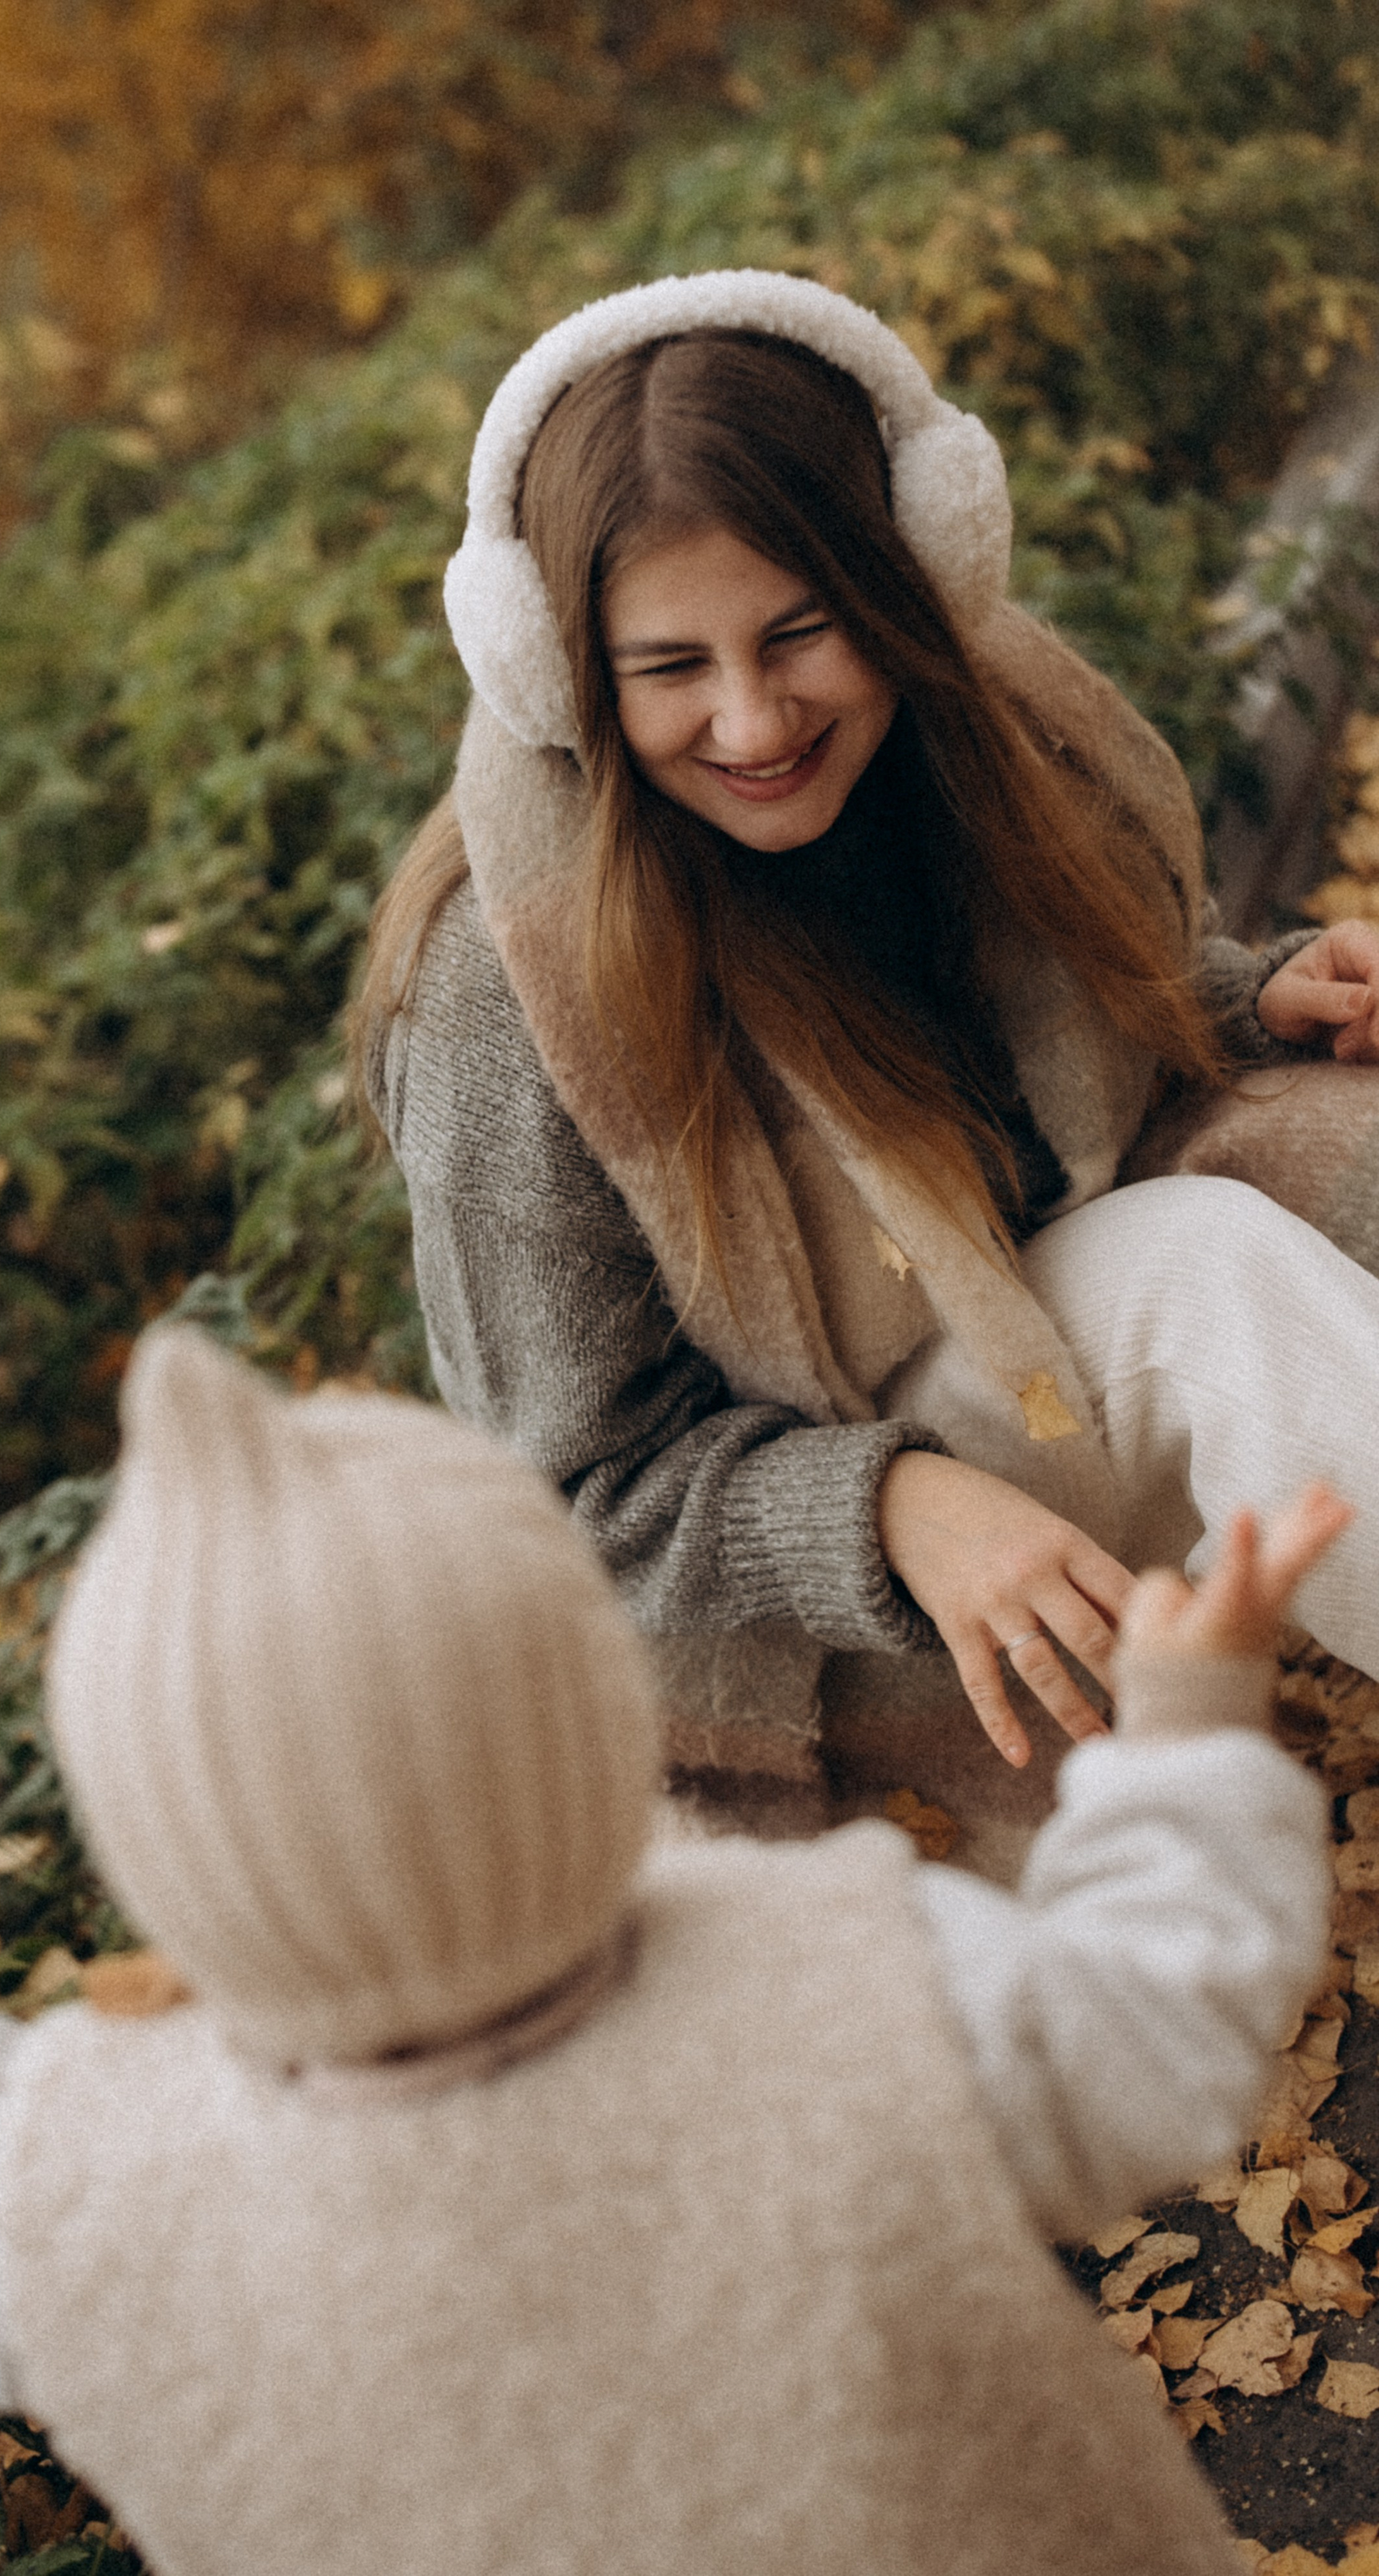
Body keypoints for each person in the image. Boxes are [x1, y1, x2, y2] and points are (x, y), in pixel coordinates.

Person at [0, 1323, 1336, 2576]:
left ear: (183, 1866)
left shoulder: (96, 2208)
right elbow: (1156, 2017)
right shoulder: (852, 1985)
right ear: (595, 1725)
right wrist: (1183, 1728)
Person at [355, 268, 1379, 1803]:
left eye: (799, 633)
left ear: (912, 567)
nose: (753, 723)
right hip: (802, 1604)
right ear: (556, 672)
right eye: (670, 669)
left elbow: (1023, 1081)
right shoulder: (501, 987)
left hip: (1004, 1364)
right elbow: (566, 1495)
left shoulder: (977, 733)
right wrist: (888, 1511)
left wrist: (1249, 997)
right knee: (1199, 1282)